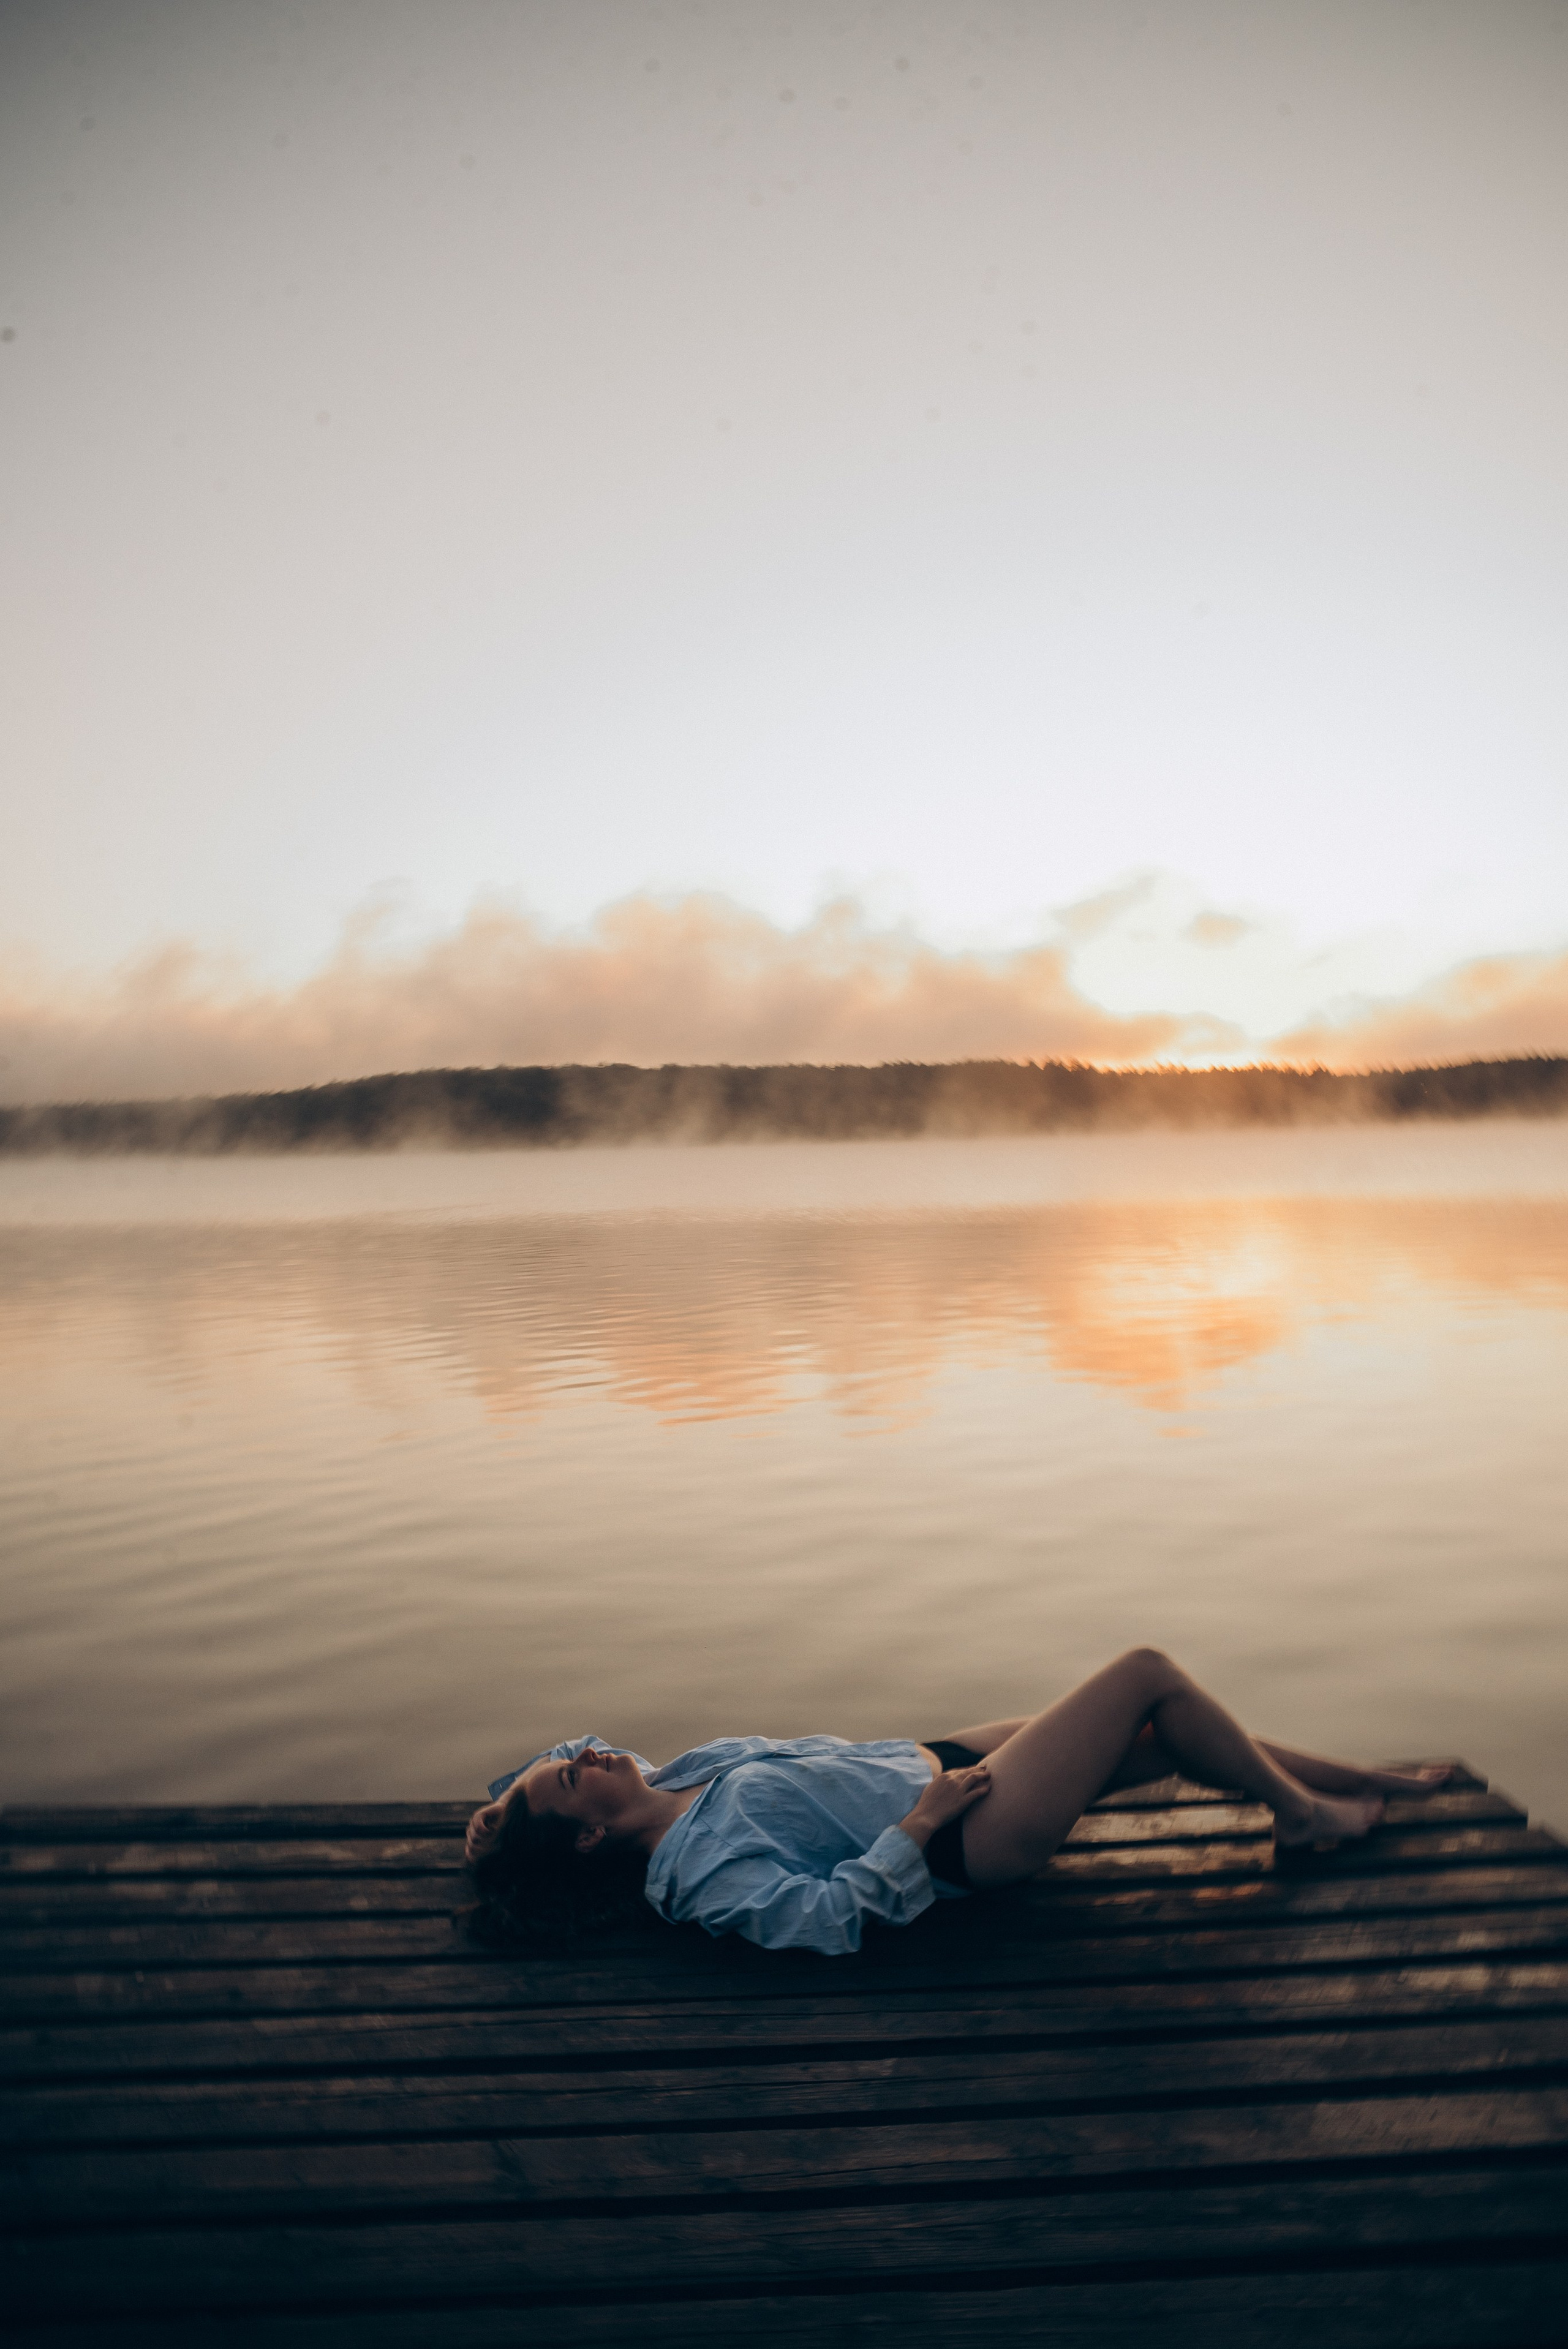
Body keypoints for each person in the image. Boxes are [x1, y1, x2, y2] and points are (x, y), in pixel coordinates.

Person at [461, 1647, 1452, 1958]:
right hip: (964, 1835)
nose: (585, 1750)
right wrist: (923, 1824)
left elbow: (563, 1767)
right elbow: (826, 1920)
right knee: (1144, 1673)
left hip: (927, 1760)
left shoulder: (671, 1777)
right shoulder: (695, 1875)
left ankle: (1353, 1782)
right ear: (591, 1834)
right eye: (571, 1773)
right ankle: (1309, 1816)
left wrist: (503, 1806)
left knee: (1155, 1733)